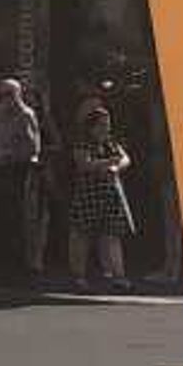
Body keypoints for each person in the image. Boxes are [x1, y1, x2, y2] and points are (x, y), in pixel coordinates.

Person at [64, 94, 133, 288]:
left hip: (110, 195)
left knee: (111, 235)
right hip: (88, 195)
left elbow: (126, 159)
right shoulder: (83, 142)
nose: (106, 127)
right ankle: (78, 276)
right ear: (92, 125)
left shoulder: (110, 142)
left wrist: (117, 167)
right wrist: (107, 163)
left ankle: (118, 276)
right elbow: (83, 164)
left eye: (107, 123)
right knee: (81, 235)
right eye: (102, 124)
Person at [0, 76, 45, 275]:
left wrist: (8, 155)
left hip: (18, 173)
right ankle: (4, 265)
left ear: (18, 94)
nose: (5, 98)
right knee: (3, 220)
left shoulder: (25, 114)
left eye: (9, 94)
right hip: (1, 173)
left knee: (18, 220)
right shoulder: (3, 115)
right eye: (2, 95)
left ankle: (20, 267)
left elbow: (32, 148)